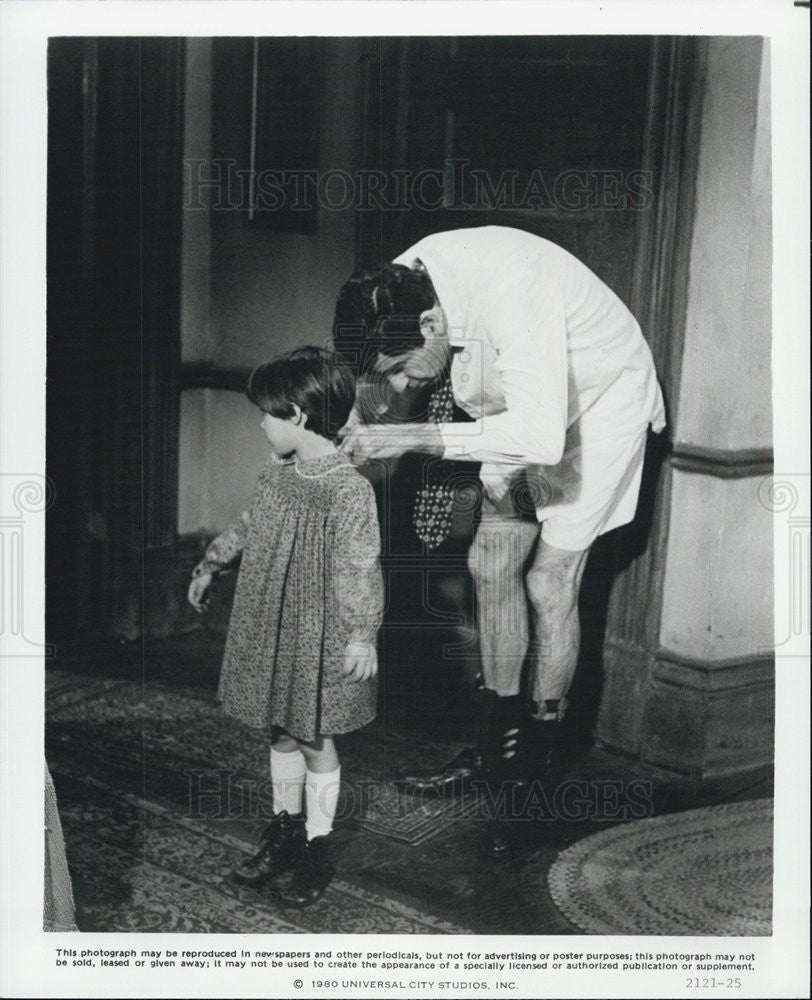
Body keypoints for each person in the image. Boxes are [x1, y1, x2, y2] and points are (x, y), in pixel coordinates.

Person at [333, 226, 666, 829]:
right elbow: (384, 378)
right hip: (517, 404)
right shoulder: (396, 283)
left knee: (548, 582)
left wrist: (405, 436)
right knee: (489, 561)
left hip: (599, 404)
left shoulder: (513, 285)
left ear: (431, 326)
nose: (406, 385)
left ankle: (532, 771)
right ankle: (495, 748)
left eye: (408, 369)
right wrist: (355, 424)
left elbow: (540, 437)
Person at [188, 346, 383, 905]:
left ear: (297, 416)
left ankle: (317, 848)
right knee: (278, 728)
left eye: (268, 414)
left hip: (317, 631)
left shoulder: (349, 490)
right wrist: (213, 561)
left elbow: (360, 563)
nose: (260, 423)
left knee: (314, 736)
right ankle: (285, 830)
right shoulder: (278, 473)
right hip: (269, 620)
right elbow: (251, 524)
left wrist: (363, 632)